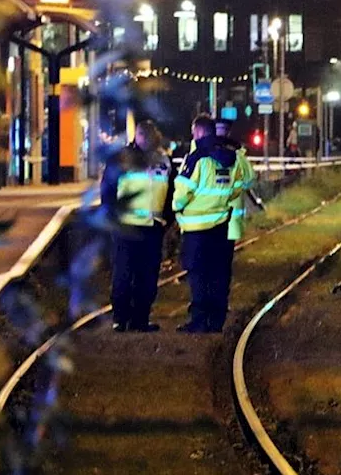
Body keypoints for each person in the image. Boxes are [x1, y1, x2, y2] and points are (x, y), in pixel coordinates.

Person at [100, 120, 174, 332]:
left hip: (152, 227)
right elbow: (108, 191)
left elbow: (171, 191)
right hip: (126, 227)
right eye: (145, 137)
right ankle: (121, 319)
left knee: (147, 277)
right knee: (124, 274)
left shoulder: (163, 161)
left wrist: (166, 218)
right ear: (138, 137)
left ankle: (140, 319)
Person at [172, 116, 242, 333]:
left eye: (194, 132)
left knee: (199, 276)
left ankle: (200, 321)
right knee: (218, 274)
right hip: (221, 225)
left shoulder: (197, 158)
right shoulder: (232, 157)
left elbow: (183, 190)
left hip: (196, 230)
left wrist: (177, 207)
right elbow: (237, 187)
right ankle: (216, 320)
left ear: (199, 132)